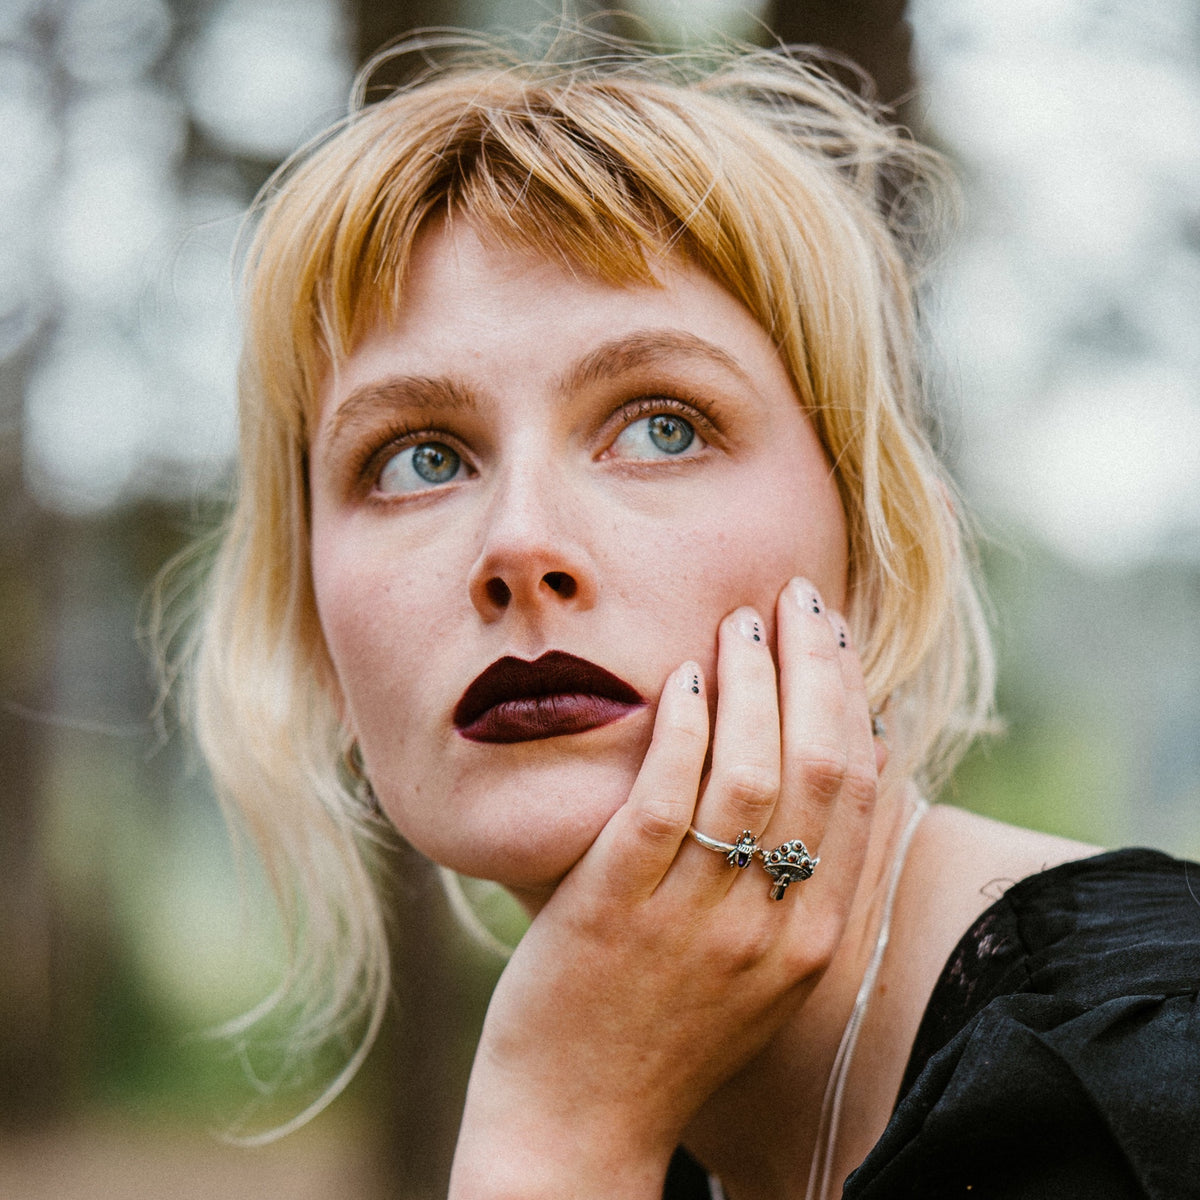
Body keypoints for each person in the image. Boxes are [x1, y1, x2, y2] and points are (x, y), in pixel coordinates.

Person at [179, 34, 1200, 1199]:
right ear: (316, 633)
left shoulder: (1139, 1095)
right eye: (418, 458)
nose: (519, 546)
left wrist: (552, 1140)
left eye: (661, 424)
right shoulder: (654, 1102)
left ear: (873, 544)